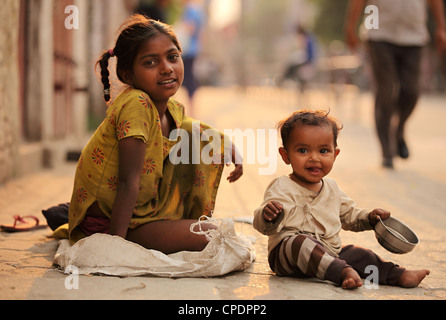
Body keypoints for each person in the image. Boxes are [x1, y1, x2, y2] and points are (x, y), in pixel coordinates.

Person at [67, 15, 242, 254]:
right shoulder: (137, 104)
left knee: (190, 135)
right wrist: (114, 250)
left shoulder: (169, 108)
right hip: (111, 221)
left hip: (136, 213)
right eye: (150, 62)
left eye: (172, 57)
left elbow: (192, 127)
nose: (167, 68)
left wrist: (225, 145)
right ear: (128, 75)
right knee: (211, 236)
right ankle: (120, 238)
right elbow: (129, 182)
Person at [253, 110, 430, 289]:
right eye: (303, 150)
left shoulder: (332, 188)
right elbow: (262, 224)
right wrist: (269, 215)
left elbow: (350, 215)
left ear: (335, 155)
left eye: (323, 151)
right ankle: (342, 272)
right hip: (287, 257)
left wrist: (370, 218)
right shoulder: (281, 186)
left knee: (359, 254)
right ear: (285, 155)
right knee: (300, 243)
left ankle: (397, 275)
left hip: (329, 252)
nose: (314, 158)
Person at [345, 0, 446, 169]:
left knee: (412, 91)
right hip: (378, 34)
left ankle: (398, 128)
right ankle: (387, 150)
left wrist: (441, 26)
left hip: (414, 36)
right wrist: (350, 27)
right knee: (385, 93)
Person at [177, 0, 204, 116]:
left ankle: (191, 111)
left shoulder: (190, 10)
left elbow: (190, 28)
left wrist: (178, 28)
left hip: (188, 50)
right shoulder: (197, 10)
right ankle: (191, 110)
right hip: (192, 49)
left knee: (187, 79)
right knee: (187, 79)